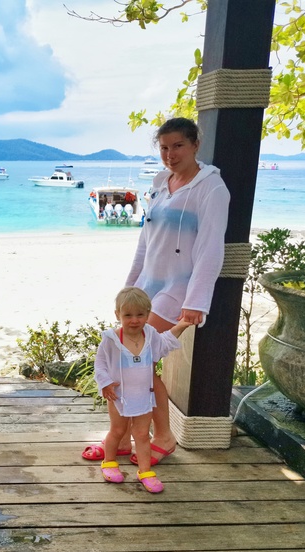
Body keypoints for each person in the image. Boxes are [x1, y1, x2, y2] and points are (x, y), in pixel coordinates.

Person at [126, 117, 230, 464]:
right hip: (147, 285)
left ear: (195, 145)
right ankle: (127, 436)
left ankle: (160, 437)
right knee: (136, 364)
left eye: (178, 146)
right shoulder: (160, 182)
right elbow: (146, 241)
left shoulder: (211, 188)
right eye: (164, 148)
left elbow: (211, 247)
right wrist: (129, 288)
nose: (170, 154)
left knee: (137, 362)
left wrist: (197, 300)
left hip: (178, 287)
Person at [95, 287, 191, 493]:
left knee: (142, 434)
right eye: (128, 315)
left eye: (140, 315)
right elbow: (100, 363)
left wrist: (182, 324)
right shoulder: (111, 339)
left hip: (143, 397)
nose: (134, 320)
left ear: (148, 314)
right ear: (118, 315)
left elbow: (165, 342)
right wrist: (105, 383)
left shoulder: (150, 335)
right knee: (117, 430)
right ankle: (109, 462)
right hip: (119, 396)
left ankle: (145, 471)